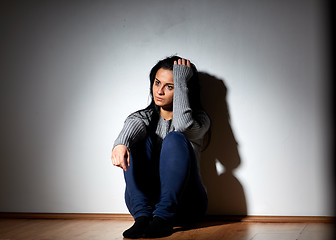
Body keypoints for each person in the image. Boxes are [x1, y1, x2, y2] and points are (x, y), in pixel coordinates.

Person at [111, 56, 210, 238]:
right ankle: (142, 219)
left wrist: (181, 81)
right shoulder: (144, 117)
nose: (160, 91)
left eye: (170, 86)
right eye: (157, 83)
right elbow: (133, 125)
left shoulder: (199, 121)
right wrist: (121, 144)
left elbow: (182, 125)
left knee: (174, 138)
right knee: (135, 141)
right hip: (145, 208)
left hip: (187, 204)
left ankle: (163, 219)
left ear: (184, 88)